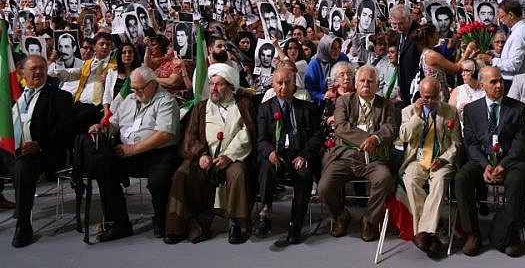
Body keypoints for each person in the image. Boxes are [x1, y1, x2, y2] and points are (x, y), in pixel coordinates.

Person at [164, 63, 256, 244]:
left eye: (219, 84)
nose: (213, 88)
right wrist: (201, 155)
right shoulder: (200, 107)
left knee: (237, 173)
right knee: (182, 173)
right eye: (212, 84)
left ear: (230, 86)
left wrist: (229, 156)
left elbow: (246, 134)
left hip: (234, 157)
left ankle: (236, 224)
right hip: (205, 157)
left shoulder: (243, 105)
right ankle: (178, 225)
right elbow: (189, 136)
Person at [88, 66, 180, 242]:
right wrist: (102, 127)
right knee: (103, 168)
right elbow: (113, 124)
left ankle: (163, 222)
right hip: (127, 151)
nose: (136, 92)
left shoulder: (166, 101)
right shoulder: (130, 99)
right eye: (133, 88)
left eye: (139, 88)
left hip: (158, 152)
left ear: (152, 84)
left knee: (159, 181)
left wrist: (133, 149)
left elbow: (165, 134)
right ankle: (118, 222)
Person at [455, 67, 525, 257]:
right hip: (483, 160)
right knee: (462, 177)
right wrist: (485, 165)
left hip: (510, 161)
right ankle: (472, 233)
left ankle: (509, 234)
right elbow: (470, 144)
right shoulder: (471, 110)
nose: (499, 85)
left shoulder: (518, 108)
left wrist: (502, 165)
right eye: (493, 82)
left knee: (516, 181)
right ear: (482, 85)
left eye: (501, 81)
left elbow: (520, 145)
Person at [317, 65, 396, 242]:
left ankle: (369, 220)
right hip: (346, 154)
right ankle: (341, 215)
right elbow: (341, 128)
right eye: (362, 80)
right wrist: (368, 139)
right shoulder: (343, 102)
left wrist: (375, 140)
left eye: (370, 81)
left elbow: (390, 128)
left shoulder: (386, 105)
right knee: (324, 188)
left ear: (377, 84)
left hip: (374, 158)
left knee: (384, 179)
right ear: (356, 83)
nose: (366, 84)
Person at [3, 55, 73, 247]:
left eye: (42, 67)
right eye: (33, 68)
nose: (38, 72)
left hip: (44, 154)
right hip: (11, 151)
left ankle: (23, 223)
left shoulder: (60, 97)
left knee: (22, 166)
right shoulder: (10, 98)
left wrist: (39, 144)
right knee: (16, 162)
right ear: (21, 73)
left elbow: (65, 130)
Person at [254, 66, 323, 244]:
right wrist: (269, 152)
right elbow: (261, 139)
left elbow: (317, 135)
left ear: (294, 85)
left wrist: (305, 155)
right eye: (279, 83)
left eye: (287, 83)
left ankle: (295, 224)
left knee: (305, 175)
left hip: (299, 154)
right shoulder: (264, 109)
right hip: (276, 154)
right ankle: (265, 214)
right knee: (265, 167)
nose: (283, 87)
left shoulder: (307, 108)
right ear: (273, 85)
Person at [400, 77, 462, 257]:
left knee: (440, 180)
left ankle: (422, 233)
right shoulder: (408, 111)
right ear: (420, 95)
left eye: (434, 97)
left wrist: (444, 159)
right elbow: (404, 136)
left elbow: (456, 143)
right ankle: (430, 233)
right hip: (417, 160)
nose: (431, 101)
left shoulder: (450, 111)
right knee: (410, 179)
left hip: (440, 159)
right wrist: (418, 116)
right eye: (426, 97)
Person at [478, 0, 525, 92]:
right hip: (522, 81)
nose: (501, 21)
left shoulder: (520, 33)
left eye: (502, 17)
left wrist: (491, 60)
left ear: (510, 15)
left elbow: (514, 65)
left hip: (515, 85)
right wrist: (495, 56)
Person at [389, 5, 420, 109]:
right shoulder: (400, 34)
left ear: (409, 18)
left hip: (416, 87)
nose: (398, 27)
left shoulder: (418, 33)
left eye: (401, 23)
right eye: (395, 24)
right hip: (404, 86)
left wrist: (415, 86)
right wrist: (400, 83)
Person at [304, 34, 349, 106]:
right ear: (325, 48)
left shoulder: (343, 58)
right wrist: (322, 96)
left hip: (343, 98)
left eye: (338, 48)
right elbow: (309, 89)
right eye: (333, 48)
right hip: (322, 105)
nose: (337, 51)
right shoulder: (315, 63)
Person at [102, 43, 141, 121]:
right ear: (120, 55)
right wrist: (106, 114)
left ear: (134, 54)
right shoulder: (112, 72)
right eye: (124, 52)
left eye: (130, 52)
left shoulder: (140, 72)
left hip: (135, 112)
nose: (127, 55)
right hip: (114, 111)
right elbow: (107, 96)